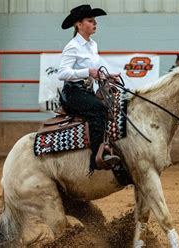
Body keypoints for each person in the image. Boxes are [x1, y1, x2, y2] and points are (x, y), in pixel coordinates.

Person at [58, 4, 120, 171]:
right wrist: (87, 71)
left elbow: (95, 71)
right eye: (90, 21)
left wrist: (107, 76)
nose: (95, 24)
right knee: (99, 110)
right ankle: (97, 158)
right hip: (72, 93)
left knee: (114, 105)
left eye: (95, 21)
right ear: (79, 24)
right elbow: (62, 73)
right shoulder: (73, 46)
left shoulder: (92, 45)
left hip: (86, 91)